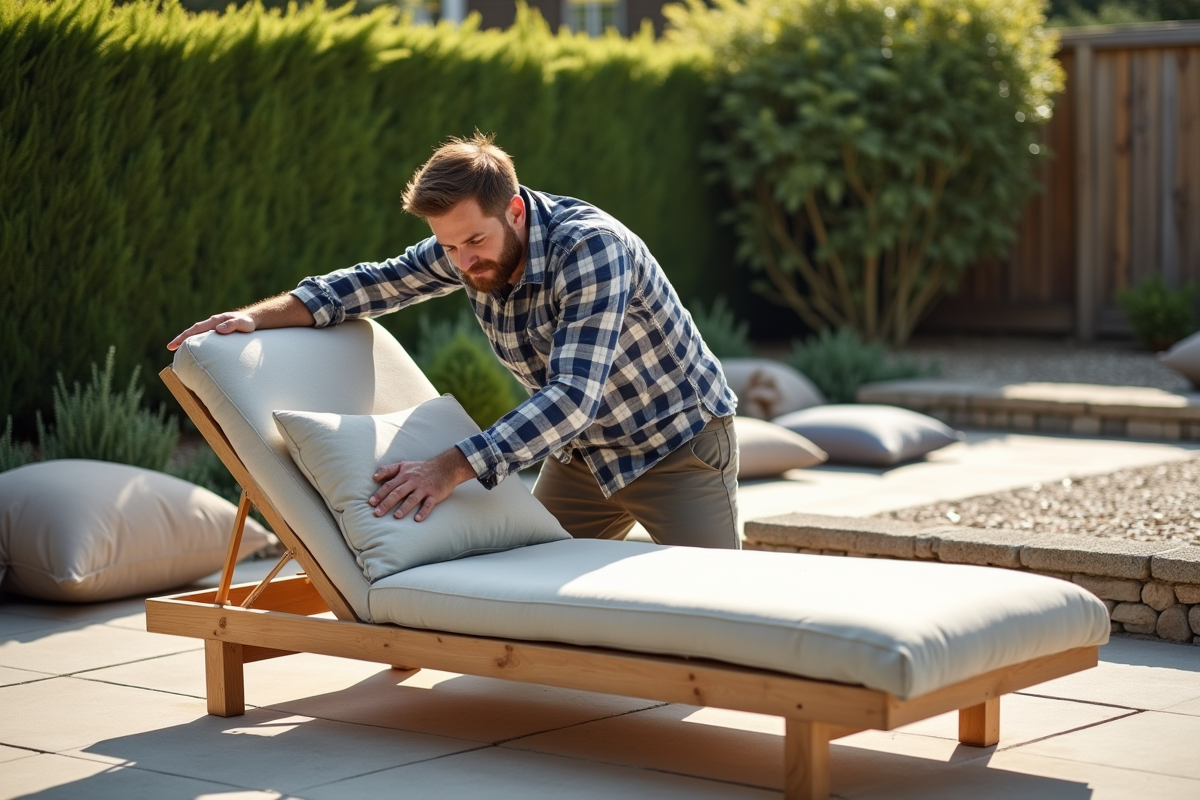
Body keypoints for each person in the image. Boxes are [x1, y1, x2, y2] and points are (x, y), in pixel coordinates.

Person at [168, 133, 740, 549]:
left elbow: (572, 397)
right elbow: (371, 284)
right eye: (448, 247)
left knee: (722, 613)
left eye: (474, 242)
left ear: (514, 211)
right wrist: (255, 318)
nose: (463, 262)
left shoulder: (591, 249)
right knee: (527, 593)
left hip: (674, 446)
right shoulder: (466, 244)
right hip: (582, 456)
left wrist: (447, 467)